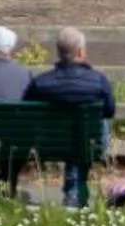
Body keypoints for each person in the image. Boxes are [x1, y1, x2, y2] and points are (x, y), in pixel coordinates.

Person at [25, 27, 117, 208]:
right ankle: (75, 194)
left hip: (50, 142)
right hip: (89, 142)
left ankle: (73, 193)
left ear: (59, 53)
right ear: (81, 52)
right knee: (98, 123)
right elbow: (110, 110)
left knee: (72, 138)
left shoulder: (41, 83)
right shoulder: (98, 81)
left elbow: (27, 109)